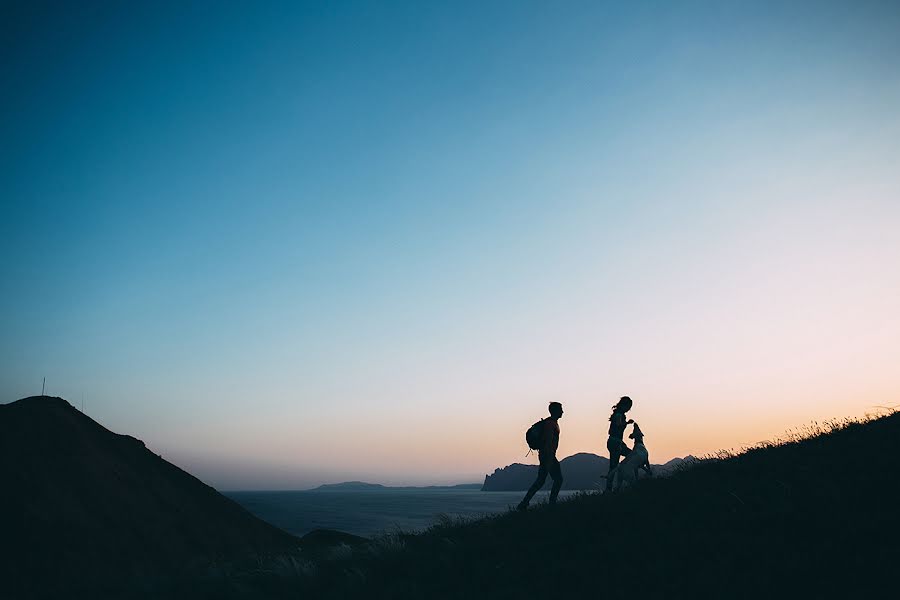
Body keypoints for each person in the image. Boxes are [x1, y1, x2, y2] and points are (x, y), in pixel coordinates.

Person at [518, 402, 564, 510]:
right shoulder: (550, 424)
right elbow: (548, 441)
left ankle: (524, 503)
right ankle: (551, 504)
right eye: (561, 409)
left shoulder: (552, 423)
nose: (563, 411)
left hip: (546, 455)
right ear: (556, 411)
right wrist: (549, 458)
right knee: (557, 479)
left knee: (541, 481)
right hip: (548, 456)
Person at [605, 396, 634, 492]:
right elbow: (619, 425)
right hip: (615, 442)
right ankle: (609, 489)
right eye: (628, 407)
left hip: (616, 441)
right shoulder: (619, 414)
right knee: (614, 466)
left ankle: (611, 487)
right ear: (624, 405)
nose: (629, 409)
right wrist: (627, 423)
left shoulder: (618, 414)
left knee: (630, 456)